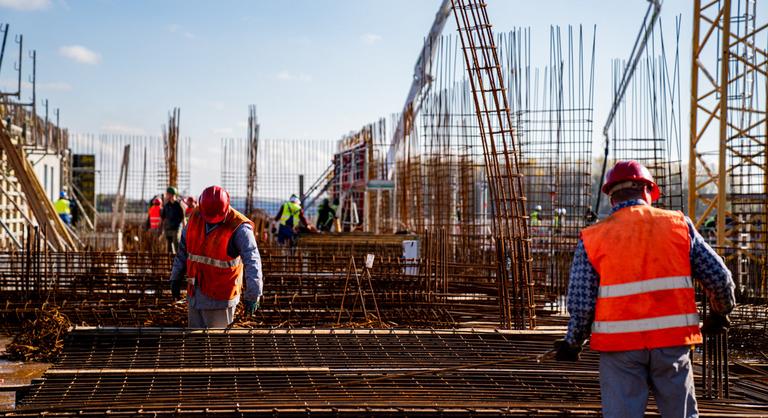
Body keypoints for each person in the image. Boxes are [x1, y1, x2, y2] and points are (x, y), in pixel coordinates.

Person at [554, 160, 735, 418]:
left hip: (620, 348)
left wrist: (573, 342)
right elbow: (721, 278)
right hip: (672, 343)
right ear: (648, 192)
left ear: (612, 197)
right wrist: (720, 312)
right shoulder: (678, 225)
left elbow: (582, 304)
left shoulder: (594, 237)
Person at [169, 185, 263, 328]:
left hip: (221, 299)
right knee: (196, 343)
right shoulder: (195, 217)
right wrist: (175, 276)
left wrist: (253, 293)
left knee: (217, 345)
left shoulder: (239, 227)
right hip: (195, 294)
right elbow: (183, 250)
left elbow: (252, 260)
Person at [161, 186, 185, 253]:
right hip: (168, 228)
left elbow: (183, 218)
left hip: (176, 228)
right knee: (169, 247)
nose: (166, 195)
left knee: (176, 244)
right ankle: (171, 262)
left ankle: (178, 260)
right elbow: (163, 218)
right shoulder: (167, 205)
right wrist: (162, 229)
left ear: (171, 194)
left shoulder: (178, 205)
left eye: (167, 194)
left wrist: (185, 229)